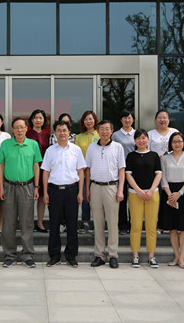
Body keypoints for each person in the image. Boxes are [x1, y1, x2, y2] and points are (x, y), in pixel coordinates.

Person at [0, 117, 42, 268]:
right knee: (8, 223)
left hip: (27, 187)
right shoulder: (6, 144)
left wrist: (36, 187)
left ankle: (27, 255)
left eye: (22, 127)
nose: (19, 130)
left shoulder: (33, 144)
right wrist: (1, 187)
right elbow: (1, 166)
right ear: (12, 130)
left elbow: (36, 166)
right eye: (16, 127)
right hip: (9, 186)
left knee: (26, 222)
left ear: (26, 128)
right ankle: (9, 255)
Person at [42, 120, 86, 267]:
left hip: (71, 191)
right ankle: (54, 256)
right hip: (54, 191)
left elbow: (81, 172)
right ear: (55, 133)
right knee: (54, 224)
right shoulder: (50, 151)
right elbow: (46, 172)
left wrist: (80, 192)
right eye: (59, 130)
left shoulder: (76, 150)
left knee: (72, 224)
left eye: (64, 130)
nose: (62, 133)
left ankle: (71, 256)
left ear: (69, 133)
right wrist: (45, 192)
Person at [85, 120, 125, 268]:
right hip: (95, 186)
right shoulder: (91, 148)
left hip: (111, 187)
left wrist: (120, 190)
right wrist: (87, 189)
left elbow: (121, 170)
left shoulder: (118, 147)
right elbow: (87, 169)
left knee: (113, 223)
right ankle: (99, 255)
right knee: (98, 223)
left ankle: (113, 255)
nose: (104, 132)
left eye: (107, 129)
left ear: (112, 131)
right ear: (98, 131)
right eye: (101, 129)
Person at [158, 132, 184, 269]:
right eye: (174, 141)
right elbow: (163, 178)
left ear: (183, 143)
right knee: (172, 228)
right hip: (169, 193)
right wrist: (170, 195)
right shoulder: (165, 159)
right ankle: (176, 256)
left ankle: (182, 258)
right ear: (170, 143)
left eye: (180, 141)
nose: (177, 144)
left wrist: (179, 193)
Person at [125, 129, 162, 268]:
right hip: (135, 194)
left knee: (151, 226)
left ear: (148, 139)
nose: (141, 141)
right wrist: (139, 191)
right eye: (138, 138)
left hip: (152, 194)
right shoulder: (131, 156)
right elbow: (128, 175)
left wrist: (151, 190)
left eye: (144, 138)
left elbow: (158, 174)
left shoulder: (154, 155)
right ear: (135, 140)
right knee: (136, 226)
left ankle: (151, 256)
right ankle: (135, 255)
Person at [75, 110, 100, 234]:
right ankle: (85, 223)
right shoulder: (79, 137)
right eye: (86, 119)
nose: (88, 121)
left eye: (90, 118)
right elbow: (75, 155)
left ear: (95, 120)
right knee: (85, 198)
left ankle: (98, 224)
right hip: (83, 173)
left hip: (98, 173)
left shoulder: (100, 135)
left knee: (97, 200)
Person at [111, 110, 136, 235]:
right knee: (121, 197)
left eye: (129, 117)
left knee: (133, 198)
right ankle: (122, 225)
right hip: (119, 169)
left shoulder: (137, 134)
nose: (127, 120)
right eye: (124, 118)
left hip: (134, 170)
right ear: (121, 120)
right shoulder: (115, 135)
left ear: (133, 119)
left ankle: (134, 224)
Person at [26, 109, 51, 233]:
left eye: (40, 118)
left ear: (44, 120)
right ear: (31, 120)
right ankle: (28, 223)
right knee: (28, 197)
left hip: (44, 169)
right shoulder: (26, 134)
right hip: (28, 168)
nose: (38, 120)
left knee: (41, 196)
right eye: (35, 117)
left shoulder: (48, 135)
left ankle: (40, 223)